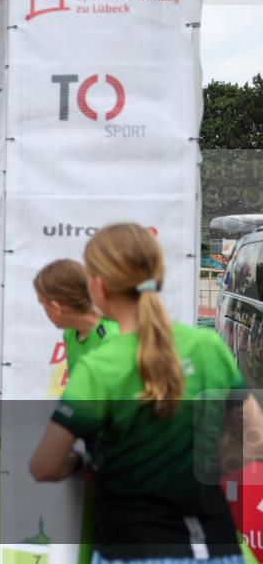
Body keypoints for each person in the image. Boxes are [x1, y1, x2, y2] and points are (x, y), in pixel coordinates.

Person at [29, 223, 249, 563]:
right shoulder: (208, 346)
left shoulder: (101, 366)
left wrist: (83, 463)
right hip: (216, 547)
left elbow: (44, 465)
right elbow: (255, 437)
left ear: (99, 286)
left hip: (131, 546)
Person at [33, 259, 118, 373]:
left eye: (42, 304)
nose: (44, 310)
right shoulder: (71, 333)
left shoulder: (113, 336)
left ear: (56, 308)